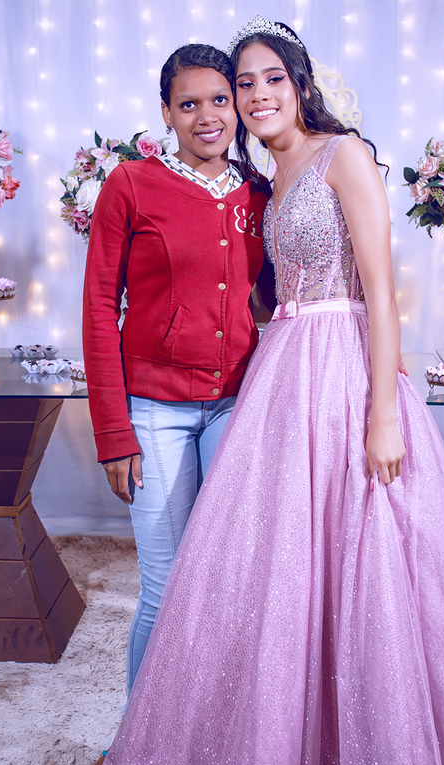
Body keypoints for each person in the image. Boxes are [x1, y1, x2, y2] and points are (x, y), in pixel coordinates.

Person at [99, 17, 444, 765]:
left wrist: (384, 414)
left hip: (341, 371)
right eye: (244, 84)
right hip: (280, 373)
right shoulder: (267, 180)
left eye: (272, 79)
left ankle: (367, 749)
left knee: (360, 563)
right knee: (266, 571)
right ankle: (257, 743)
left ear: (300, 84)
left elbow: (380, 291)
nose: (256, 95)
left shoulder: (345, 155)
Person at [82, 43, 272, 701]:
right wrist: (114, 432)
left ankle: (213, 728)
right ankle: (141, 741)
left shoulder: (259, 191)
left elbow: (273, 300)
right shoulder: (131, 184)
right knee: (165, 587)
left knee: (230, 580)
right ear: (166, 113)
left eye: (219, 99)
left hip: (235, 407)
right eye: (188, 104)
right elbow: (98, 307)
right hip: (154, 412)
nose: (207, 116)